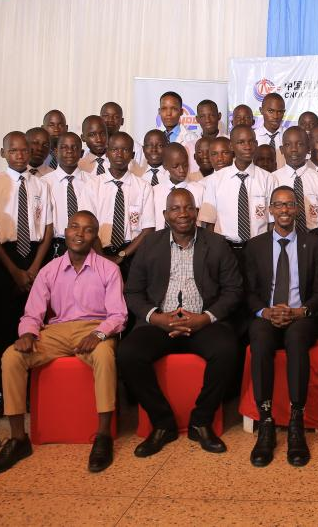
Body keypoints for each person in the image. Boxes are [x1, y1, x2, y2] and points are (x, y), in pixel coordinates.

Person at [0, 211, 126, 476]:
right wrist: (27, 333)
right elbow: (32, 313)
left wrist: (98, 334)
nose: (80, 234)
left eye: (88, 229)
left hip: (95, 328)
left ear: (95, 237)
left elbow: (117, 315)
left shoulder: (109, 269)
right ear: (66, 231)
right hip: (56, 331)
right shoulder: (49, 270)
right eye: (74, 227)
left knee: (105, 356)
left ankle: (103, 435)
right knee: (11, 356)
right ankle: (18, 439)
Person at [117, 188, 242, 456]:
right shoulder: (150, 244)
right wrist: (156, 317)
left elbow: (233, 290)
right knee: (128, 353)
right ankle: (163, 423)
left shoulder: (217, 244)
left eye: (188, 208)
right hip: (160, 322)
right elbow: (133, 291)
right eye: (175, 208)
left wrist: (205, 318)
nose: (182, 213)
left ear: (196, 212)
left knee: (228, 349)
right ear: (165, 215)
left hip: (203, 322)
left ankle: (201, 421)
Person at [244, 187, 318, 467]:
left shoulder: (313, 245)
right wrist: (265, 312)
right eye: (278, 205)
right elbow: (248, 291)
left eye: (289, 204)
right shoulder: (255, 246)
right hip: (267, 315)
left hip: (300, 316)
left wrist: (301, 311)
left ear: (297, 209)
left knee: (297, 339)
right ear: (270, 210)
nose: (284, 210)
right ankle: (266, 421)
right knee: (259, 338)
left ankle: (296, 421)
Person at [0, 131, 55, 417]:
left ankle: (30, 390)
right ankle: (2, 389)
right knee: (3, 326)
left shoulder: (41, 184)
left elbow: (47, 228)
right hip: (5, 256)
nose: (20, 155)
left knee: (34, 324)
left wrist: (35, 267)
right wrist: (13, 271)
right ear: (3, 153)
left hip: (35, 256)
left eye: (24, 150)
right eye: (13, 150)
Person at [200, 126, 276, 269]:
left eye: (251, 141)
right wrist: (214, 251)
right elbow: (209, 222)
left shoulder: (268, 179)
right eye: (241, 142)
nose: (247, 146)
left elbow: (272, 222)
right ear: (231, 146)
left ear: (256, 144)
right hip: (225, 249)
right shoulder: (216, 180)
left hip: (258, 248)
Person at [94, 132, 155, 275]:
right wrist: (101, 256)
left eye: (125, 150)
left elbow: (148, 229)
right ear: (107, 153)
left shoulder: (143, 187)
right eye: (114, 149)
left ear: (132, 155)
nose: (119, 154)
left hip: (132, 252)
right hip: (98, 250)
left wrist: (123, 255)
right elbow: (88, 226)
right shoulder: (92, 185)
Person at [272, 127, 318, 243]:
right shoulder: (273, 179)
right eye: (288, 145)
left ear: (308, 148)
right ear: (282, 150)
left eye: (300, 144)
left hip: (314, 238)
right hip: (281, 240)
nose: (294, 149)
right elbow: (270, 220)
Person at [42, 132, 99, 260]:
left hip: (87, 244)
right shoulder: (44, 183)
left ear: (81, 152)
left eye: (74, 147)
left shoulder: (93, 182)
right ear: (56, 151)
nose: (69, 151)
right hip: (55, 245)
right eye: (64, 147)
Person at [152, 143, 204, 230]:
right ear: (165, 166)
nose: (182, 170)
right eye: (175, 166)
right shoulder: (155, 191)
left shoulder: (199, 190)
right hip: (160, 237)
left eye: (185, 165)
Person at [185, 99, 225, 174]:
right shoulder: (189, 147)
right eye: (202, 116)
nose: (207, 120)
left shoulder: (229, 142)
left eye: (211, 115)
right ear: (197, 119)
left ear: (219, 116)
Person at [257, 92, 287, 164]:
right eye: (270, 111)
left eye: (280, 112)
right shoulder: (253, 137)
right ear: (261, 110)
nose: (275, 116)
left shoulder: (290, 137)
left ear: (284, 112)